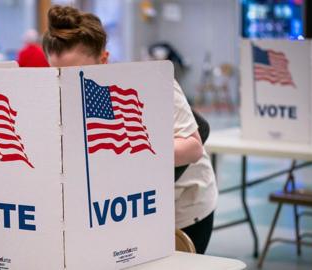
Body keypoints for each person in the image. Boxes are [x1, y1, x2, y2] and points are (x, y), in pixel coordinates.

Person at [42, 5, 218, 254]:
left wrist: (129, 151)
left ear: (103, 60)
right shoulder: (56, 94)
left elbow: (192, 148)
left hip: (183, 208)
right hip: (122, 210)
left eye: (77, 73)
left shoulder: (150, 84)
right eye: (56, 73)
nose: (65, 83)